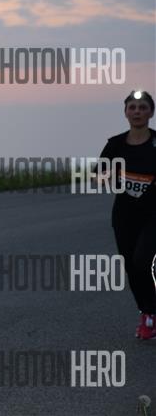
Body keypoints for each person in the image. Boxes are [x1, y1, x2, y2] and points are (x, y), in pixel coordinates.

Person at [99, 90, 156, 340]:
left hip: (153, 215)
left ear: (151, 112)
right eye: (132, 107)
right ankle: (148, 314)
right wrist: (109, 175)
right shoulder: (115, 144)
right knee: (132, 267)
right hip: (124, 215)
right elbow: (98, 175)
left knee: (143, 261)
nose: (137, 112)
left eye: (142, 107)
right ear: (125, 112)